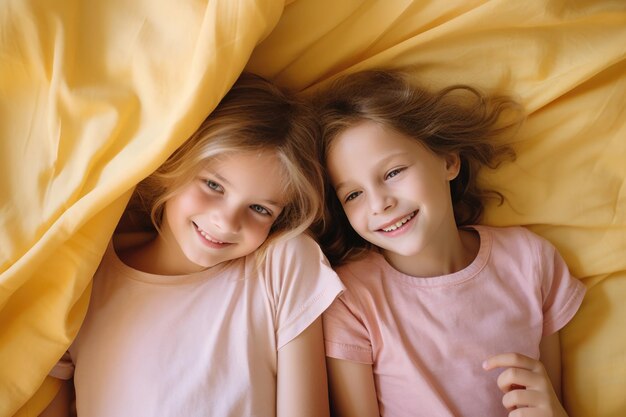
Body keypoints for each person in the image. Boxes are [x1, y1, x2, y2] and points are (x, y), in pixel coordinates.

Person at [41, 73, 345, 417]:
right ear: (176, 163)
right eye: (214, 185)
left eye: (260, 209)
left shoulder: (283, 262)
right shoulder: (86, 276)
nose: (227, 222)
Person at [312, 69, 586, 417]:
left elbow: (552, 398)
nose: (379, 204)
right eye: (353, 194)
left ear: (448, 161)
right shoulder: (349, 299)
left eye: (393, 173)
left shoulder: (529, 260)